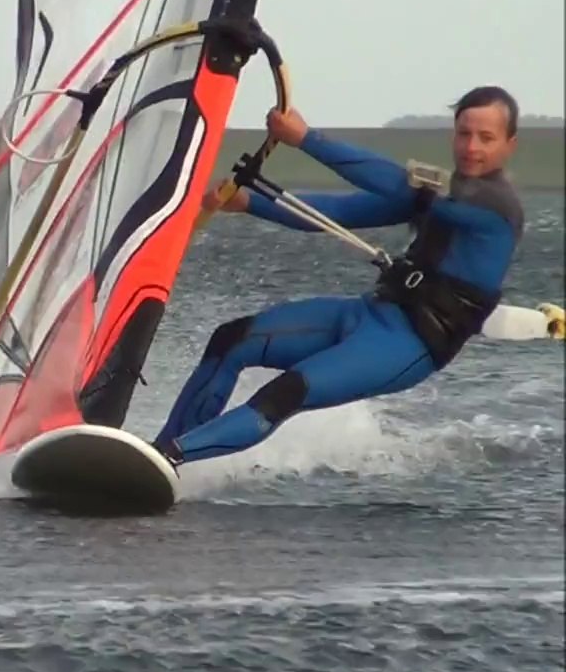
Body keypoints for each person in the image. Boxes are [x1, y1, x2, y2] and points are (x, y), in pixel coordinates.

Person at [151, 85, 524, 467]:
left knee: (286, 392)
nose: (472, 147)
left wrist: (306, 139)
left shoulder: (495, 207)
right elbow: (337, 213)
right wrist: (247, 203)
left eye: (487, 138)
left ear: (509, 144)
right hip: (369, 314)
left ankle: (168, 459)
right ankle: (150, 454)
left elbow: (397, 181)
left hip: (408, 345)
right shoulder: (437, 195)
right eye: (465, 134)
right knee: (231, 340)